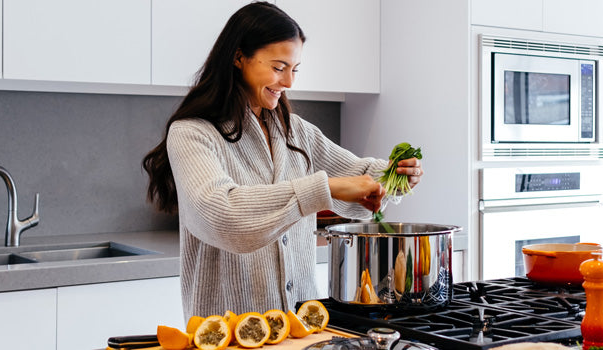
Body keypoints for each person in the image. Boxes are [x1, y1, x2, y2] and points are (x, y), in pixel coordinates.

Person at [141, 1, 423, 319]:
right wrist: (323, 189)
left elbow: (357, 175)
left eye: (294, 69)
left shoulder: (295, 131)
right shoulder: (193, 133)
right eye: (278, 68)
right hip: (228, 333)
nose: (289, 82)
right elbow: (222, 216)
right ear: (238, 57)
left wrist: (394, 176)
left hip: (302, 328)